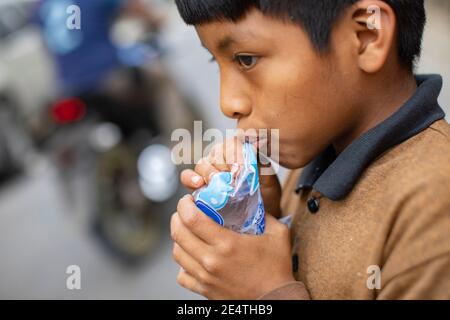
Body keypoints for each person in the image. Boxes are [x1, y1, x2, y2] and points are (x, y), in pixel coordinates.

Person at [170, 0, 450, 299]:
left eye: (246, 59)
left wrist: (266, 293)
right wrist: (256, 221)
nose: (227, 103)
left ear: (367, 36)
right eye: (217, 62)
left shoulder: (433, 210)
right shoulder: (320, 153)